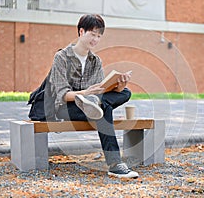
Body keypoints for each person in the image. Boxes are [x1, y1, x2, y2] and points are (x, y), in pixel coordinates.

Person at [44, 14, 139, 179]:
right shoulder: (62, 57)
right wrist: (85, 94)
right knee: (104, 108)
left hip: (92, 104)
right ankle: (115, 164)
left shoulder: (95, 61)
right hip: (65, 107)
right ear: (81, 32)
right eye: (92, 34)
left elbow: (101, 90)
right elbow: (62, 95)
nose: (95, 39)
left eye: (99, 36)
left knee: (125, 92)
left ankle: (93, 104)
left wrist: (119, 85)